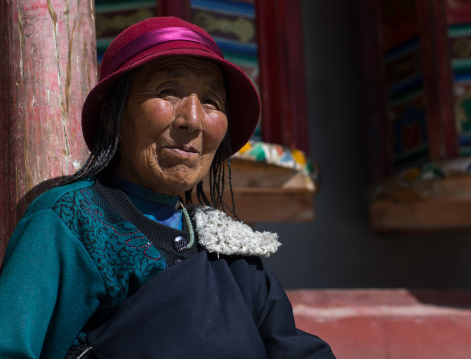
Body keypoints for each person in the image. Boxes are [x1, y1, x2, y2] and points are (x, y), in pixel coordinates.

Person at [0, 16, 335, 359]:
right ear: (113, 113)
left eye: (211, 102)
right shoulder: (71, 222)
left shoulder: (233, 259)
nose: (192, 119)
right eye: (168, 92)